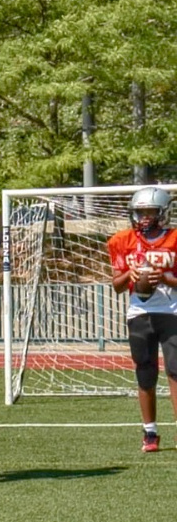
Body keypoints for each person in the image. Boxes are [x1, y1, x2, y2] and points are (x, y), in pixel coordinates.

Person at [107, 186, 177, 453]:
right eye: (140, 212)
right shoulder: (121, 240)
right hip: (139, 313)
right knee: (145, 372)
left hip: (172, 311)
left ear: (163, 213)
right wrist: (130, 275)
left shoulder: (175, 238)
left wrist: (166, 278)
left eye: (150, 211)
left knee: (175, 370)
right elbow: (116, 285)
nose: (145, 217)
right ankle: (150, 431)